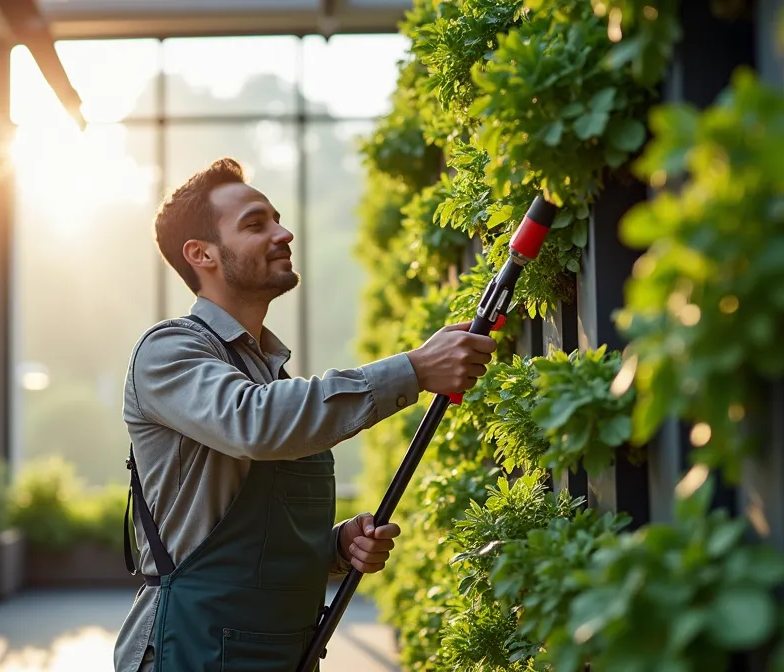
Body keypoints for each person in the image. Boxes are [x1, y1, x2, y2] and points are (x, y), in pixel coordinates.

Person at [114, 157, 497, 672]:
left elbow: (257, 539)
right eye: (256, 224)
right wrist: (413, 370)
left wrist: (335, 546)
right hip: (191, 650)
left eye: (277, 218)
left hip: (280, 653)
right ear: (200, 253)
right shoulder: (168, 352)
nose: (283, 233)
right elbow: (255, 424)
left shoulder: (276, 380)